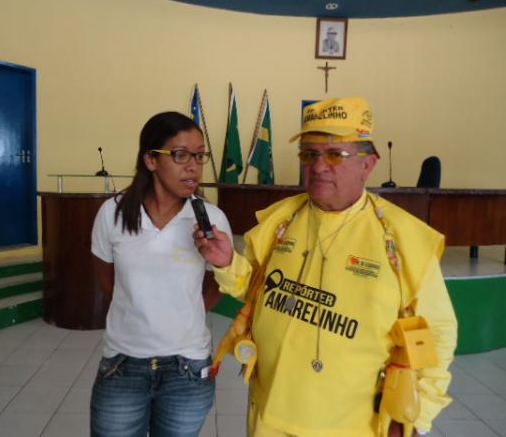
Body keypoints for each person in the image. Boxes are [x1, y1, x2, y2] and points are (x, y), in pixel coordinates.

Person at [195, 97, 457, 437]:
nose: (318, 166)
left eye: (335, 154)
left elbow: (437, 335)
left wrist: (417, 420)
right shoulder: (281, 221)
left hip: (352, 426)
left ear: (369, 163)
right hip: (269, 417)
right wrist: (227, 262)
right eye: (310, 154)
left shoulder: (402, 239)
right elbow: (257, 290)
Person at [90, 111, 232, 437]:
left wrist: (183, 312)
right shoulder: (113, 213)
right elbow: (106, 276)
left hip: (187, 368)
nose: (193, 166)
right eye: (181, 155)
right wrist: (141, 308)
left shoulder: (210, 219)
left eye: (199, 155)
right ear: (151, 160)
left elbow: (219, 281)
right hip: (123, 364)